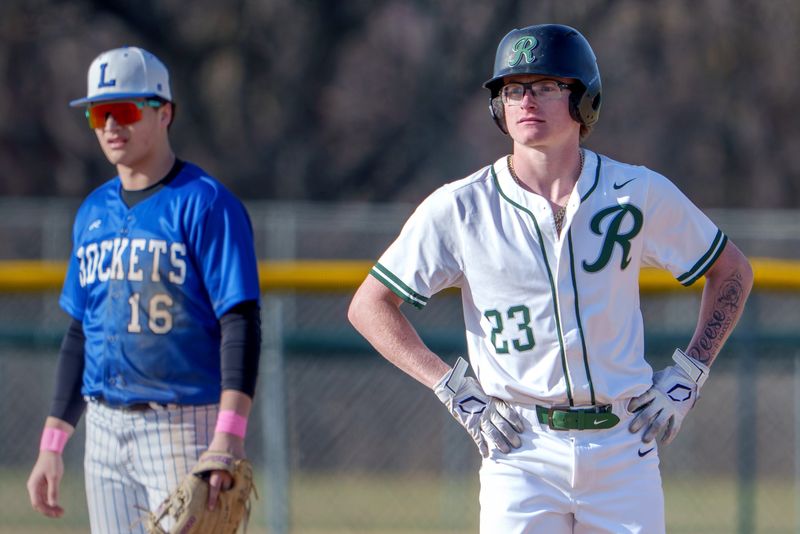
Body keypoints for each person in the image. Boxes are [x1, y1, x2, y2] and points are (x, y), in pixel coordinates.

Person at [348, 23, 753, 533]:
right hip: (519, 447)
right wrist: (450, 388)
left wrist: (689, 374)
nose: (525, 100)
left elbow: (731, 270)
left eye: (544, 86)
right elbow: (369, 305)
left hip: (623, 443)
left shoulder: (636, 191)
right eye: (511, 89)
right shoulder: (462, 205)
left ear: (584, 100)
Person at [26, 46, 262, 533]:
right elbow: (80, 333)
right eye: (98, 112)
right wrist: (52, 443)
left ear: (165, 113)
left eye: (126, 110)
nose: (111, 125)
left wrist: (229, 435)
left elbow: (240, 321)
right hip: (105, 429)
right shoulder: (92, 212)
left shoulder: (207, 204)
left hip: (183, 425)